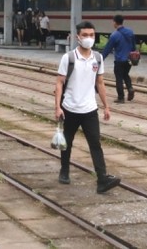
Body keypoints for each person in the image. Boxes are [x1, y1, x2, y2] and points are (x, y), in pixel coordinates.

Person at [54, 21, 121, 194]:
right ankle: (64, 170)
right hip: (70, 107)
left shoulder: (97, 58)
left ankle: (102, 179)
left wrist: (106, 106)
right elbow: (60, 83)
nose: (88, 38)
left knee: (95, 144)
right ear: (78, 37)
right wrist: (57, 107)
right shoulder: (68, 58)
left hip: (90, 109)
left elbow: (100, 83)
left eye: (91, 35)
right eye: (85, 35)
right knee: (67, 142)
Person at [102, 14, 136, 103]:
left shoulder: (114, 35)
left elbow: (107, 49)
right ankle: (130, 88)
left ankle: (121, 97)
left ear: (115, 22)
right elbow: (133, 46)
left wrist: (101, 58)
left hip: (119, 60)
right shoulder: (130, 32)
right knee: (126, 75)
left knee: (119, 78)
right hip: (129, 59)